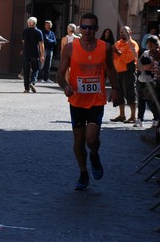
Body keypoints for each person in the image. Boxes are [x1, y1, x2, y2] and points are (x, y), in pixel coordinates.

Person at [57, 12, 121, 191]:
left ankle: (94, 153)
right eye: (84, 27)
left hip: (96, 100)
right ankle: (83, 173)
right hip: (76, 100)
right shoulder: (70, 48)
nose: (87, 31)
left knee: (91, 138)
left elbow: (110, 69)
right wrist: (65, 86)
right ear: (80, 28)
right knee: (78, 141)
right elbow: (59, 75)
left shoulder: (105, 47)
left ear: (96, 29)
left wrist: (115, 89)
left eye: (91, 27)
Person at [110, 26, 139, 123]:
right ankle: (122, 115)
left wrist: (117, 52)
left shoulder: (133, 44)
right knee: (119, 94)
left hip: (128, 72)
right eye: (121, 32)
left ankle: (133, 116)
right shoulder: (118, 43)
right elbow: (113, 56)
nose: (123, 33)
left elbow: (128, 59)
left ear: (130, 32)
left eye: (125, 32)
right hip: (118, 72)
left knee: (130, 93)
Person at [136, 35, 160, 127]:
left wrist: (143, 67)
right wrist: (143, 67)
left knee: (151, 102)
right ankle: (140, 119)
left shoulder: (158, 53)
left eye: (152, 43)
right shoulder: (145, 52)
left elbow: (150, 67)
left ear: (156, 44)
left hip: (151, 81)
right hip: (141, 79)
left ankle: (156, 118)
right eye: (148, 43)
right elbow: (138, 65)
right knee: (140, 101)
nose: (150, 45)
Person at [21, 17, 44, 93]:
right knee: (36, 69)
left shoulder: (25, 31)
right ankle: (32, 82)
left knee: (26, 71)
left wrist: (24, 49)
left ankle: (26, 89)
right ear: (35, 23)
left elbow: (23, 41)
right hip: (35, 53)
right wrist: (42, 55)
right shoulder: (39, 32)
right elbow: (41, 44)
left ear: (28, 23)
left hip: (26, 53)